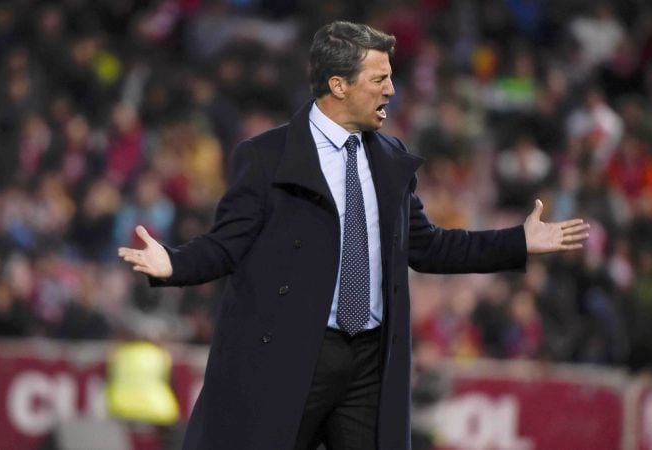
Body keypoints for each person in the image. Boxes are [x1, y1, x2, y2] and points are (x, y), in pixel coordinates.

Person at [118, 21, 589, 450]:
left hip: (369, 360)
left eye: (391, 77)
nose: (392, 90)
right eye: (379, 79)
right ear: (338, 85)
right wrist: (174, 264)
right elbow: (225, 246)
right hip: (293, 355)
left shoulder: (390, 158)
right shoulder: (266, 157)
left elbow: (428, 247)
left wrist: (518, 242)